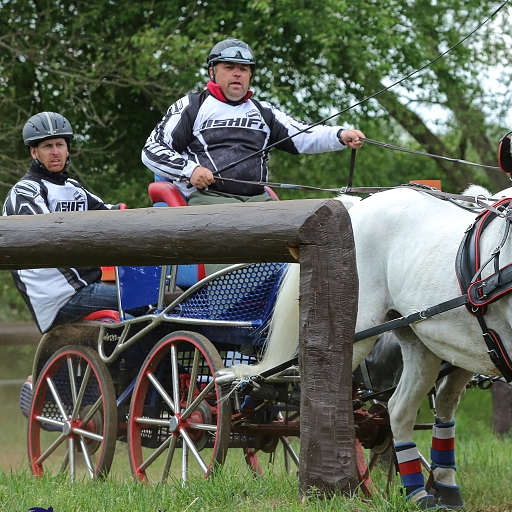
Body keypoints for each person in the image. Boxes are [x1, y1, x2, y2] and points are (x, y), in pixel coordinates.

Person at [5, 112, 127, 418]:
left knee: (149, 304)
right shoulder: (26, 192)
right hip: (58, 297)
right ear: (34, 152)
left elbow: (112, 215)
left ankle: (122, 386)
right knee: (146, 301)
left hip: (81, 288)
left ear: (68, 148)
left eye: (60, 144)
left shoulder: (74, 189)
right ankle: (125, 388)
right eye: (47, 146)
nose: (55, 151)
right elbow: (47, 238)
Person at [142, 37, 365, 204]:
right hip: (208, 199)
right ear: (212, 72)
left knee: (301, 230)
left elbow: (303, 134)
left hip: (259, 200)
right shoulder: (192, 106)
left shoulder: (264, 111)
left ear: (250, 75)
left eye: (243, 69)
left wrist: (340, 135)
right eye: (229, 68)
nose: (237, 74)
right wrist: (191, 171)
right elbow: (152, 149)